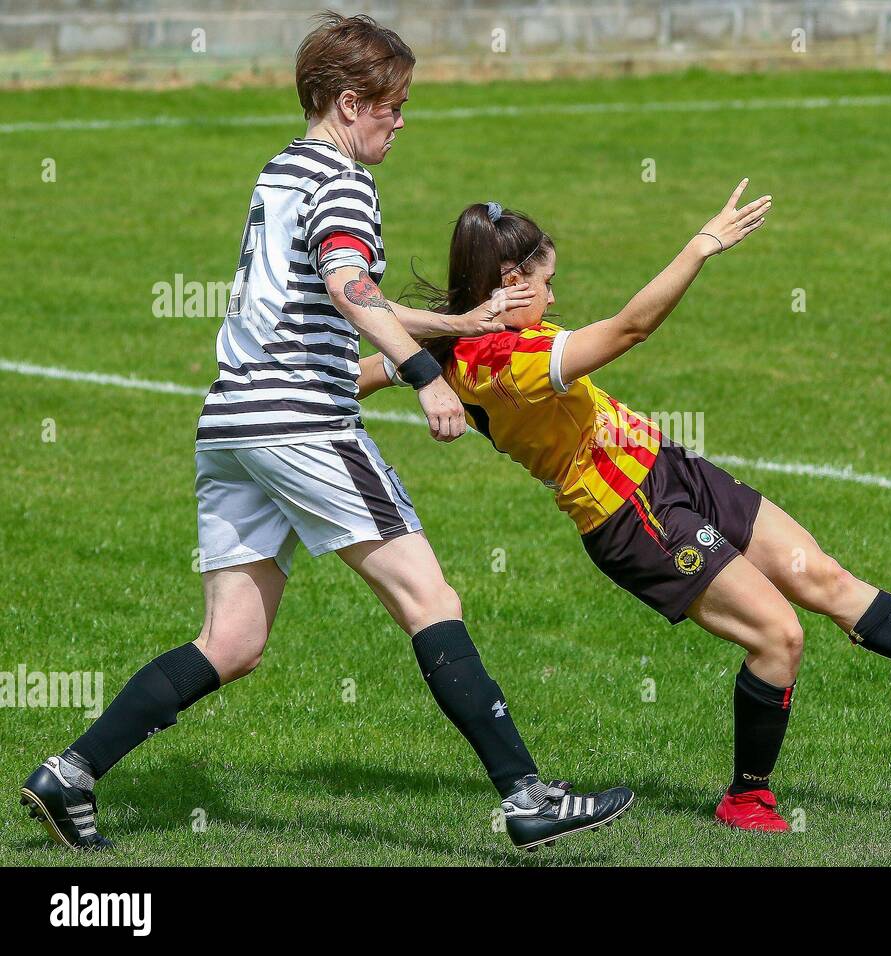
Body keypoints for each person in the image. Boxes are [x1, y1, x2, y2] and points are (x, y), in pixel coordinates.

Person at [19, 12, 632, 854]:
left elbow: (335, 292)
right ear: (351, 103)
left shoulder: (281, 171)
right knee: (432, 601)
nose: (401, 121)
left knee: (230, 641)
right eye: (394, 105)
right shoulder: (346, 185)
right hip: (303, 418)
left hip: (231, 423)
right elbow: (350, 289)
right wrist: (423, 376)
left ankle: (70, 772)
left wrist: (452, 324)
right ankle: (527, 796)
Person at [358, 184, 891, 832]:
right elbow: (631, 328)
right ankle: (746, 795)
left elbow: (372, 369)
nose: (552, 293)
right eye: (546, 282)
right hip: (630, 517)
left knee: (821, 576)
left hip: (668, 468)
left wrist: (321, 388)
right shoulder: (500, 361)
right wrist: (701, 246)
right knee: (779, 637)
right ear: (512, 283)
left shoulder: (455, 344)